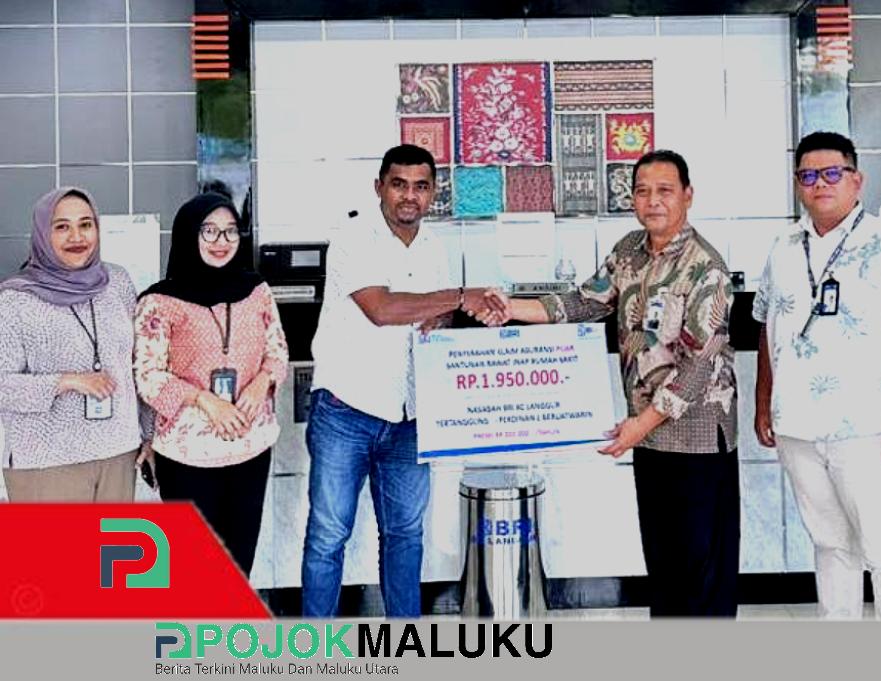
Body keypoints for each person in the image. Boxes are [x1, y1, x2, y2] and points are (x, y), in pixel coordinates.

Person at [487, 149, 740, 617]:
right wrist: (511, 309)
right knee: (664, 564)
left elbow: (698, 367)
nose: (652, 201)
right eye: (642, 191)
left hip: (697, 438)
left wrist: (639, 426)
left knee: (701, 570)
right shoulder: (629, 251)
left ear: (687, 195)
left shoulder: (707, 266)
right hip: (648, 433)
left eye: (664, 190)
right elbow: (584, 301)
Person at [301, 144, 506, 618]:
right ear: (379, 187)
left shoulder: (434, 246)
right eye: (399, 184)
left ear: (433, 193)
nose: (409, 196)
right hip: (346, 410)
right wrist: (461, 296)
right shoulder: (353, 238)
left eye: (420, 186)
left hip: (411, 416)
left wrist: (445, 317)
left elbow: (435, 315)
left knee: (405, 535)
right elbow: (382, 308)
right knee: (328, 535)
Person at [753, 132, 881, 620]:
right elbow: (769, 327)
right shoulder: (783, 246)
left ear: (857, 180)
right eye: (808, 175)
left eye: (833, 172)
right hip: (797, 426)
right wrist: (764, 403)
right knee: (831, 545)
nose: (820, 183)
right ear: (798, 184)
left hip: (869, 427)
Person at [133, 191, 288, 577]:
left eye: (231, 231)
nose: (222, 241)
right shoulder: (159, 302)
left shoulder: (256, 290)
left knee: (238, 566)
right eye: (210, 231)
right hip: (187, 457)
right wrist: (205, 400)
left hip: (251, 448)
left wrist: (261, 382)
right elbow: (148, 376)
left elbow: (278, 350)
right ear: (189, 234)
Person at [0, 187, 150, 501]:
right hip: (47, 461)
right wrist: (66, 381)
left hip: (118, 451)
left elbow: (139, 365)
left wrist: (149, 434)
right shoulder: (15, 300)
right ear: (43, 233)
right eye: (61, 227)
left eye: (85, 224)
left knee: (112, 538)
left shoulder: (117, 282)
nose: (77, 237)